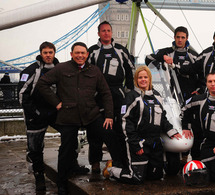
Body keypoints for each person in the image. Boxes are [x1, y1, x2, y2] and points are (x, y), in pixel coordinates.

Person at [36, 42, 121, 194]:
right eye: (77, 53)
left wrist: (108, 115)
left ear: (87, 55)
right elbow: (42, 83)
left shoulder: (94, 71)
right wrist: (56, 102)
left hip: (91, 114)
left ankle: (121, 169)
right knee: (66, 149)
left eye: (83, 53)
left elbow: (106, 93)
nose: (80, 55)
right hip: (68, 115)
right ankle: (61, 183)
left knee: (109, 134)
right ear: (71, 54)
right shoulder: (61, 68)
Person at [104, 65, 182, 184]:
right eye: (140, 77)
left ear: (150, 79)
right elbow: (125, 122)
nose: (143, 80)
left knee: (155, 177)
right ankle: (111, 169)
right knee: (136, 178)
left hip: (155, 143)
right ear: (136, 80)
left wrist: (172, 131)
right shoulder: (131, 97)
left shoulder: (157, 96)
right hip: (139, 142)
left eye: (145, 77)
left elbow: (162, 117)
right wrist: (135, 144)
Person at [145, 26, 199, 166]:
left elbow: (200, 72)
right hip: (171, 95)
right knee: (171, 119)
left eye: (183, 37)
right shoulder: (166, 51)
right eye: (178, 37)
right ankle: (164, 149)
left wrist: (199, 90)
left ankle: (186, 156)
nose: (180, 40)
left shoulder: (193, 55)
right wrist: (161, 57)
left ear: (187, 39)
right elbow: (148, 59)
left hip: (188, 95)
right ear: (174, 38)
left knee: (188, 124)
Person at [88, 21, 135, 173]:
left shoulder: (121, 50)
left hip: (118, 94)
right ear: (99, 33)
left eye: (108, 30)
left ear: (112, 32)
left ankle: (120, 160)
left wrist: (129, 91)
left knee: (119, 129)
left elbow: (130, 70)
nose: (106, 33)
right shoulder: (93, 51)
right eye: (103, 31)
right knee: (95, 130)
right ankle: (95, 162)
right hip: (98, 95)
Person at [17, 42, 60, 191]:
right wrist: (34, 113)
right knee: (35, 149)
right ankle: (39, 176)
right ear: (41, 53)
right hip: (35, 115)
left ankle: (70, 166)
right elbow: (22, 95)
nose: (48, 55)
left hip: (54, 112)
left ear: (55, 53)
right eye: (45, 52)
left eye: (50, 52)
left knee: (70, 133)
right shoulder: (30, 71)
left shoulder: (59, 69)